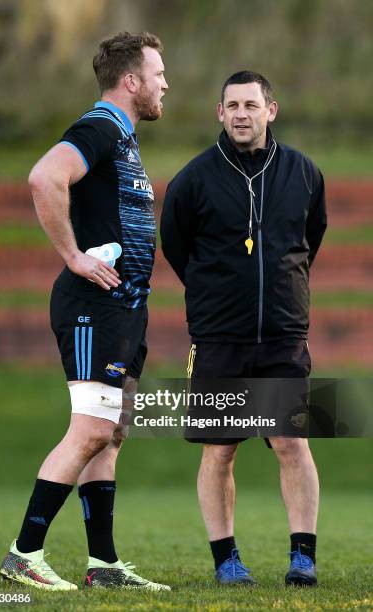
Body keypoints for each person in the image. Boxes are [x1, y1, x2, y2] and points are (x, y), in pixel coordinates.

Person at [0, 31, 170, 592]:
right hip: (93, 307)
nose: (165, 83)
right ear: (131, 81)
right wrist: (72, 255)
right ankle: (23, 553)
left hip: (124, 309)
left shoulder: (122, 138)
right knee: (92, 427)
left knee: (111, 433)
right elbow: (44, 176)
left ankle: (104, 566)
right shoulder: (99, 127)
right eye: (158, 74)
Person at [161, 71, 327, 587]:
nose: (241, 113)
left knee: (291, 443)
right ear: (219, 112)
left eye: (251, 104)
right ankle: (226, 559)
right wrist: (219, 297)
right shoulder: (194, 178)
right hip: (220, 342)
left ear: (270, 111)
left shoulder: (303, 172)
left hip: (283, 338)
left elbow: (310, 239)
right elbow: (176, 245)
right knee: (220, 450)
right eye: (231, 104)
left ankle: (303, 556)